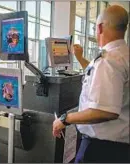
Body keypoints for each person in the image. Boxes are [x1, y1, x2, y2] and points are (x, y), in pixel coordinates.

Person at [53, 5, 129, 163]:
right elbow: (97, 75)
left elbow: (105, 111)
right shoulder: (122, 55)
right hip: (120, 146)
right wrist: (80, 58)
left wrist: (65, 119)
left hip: (101, 149)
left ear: (100, 27)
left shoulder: (109, 61)